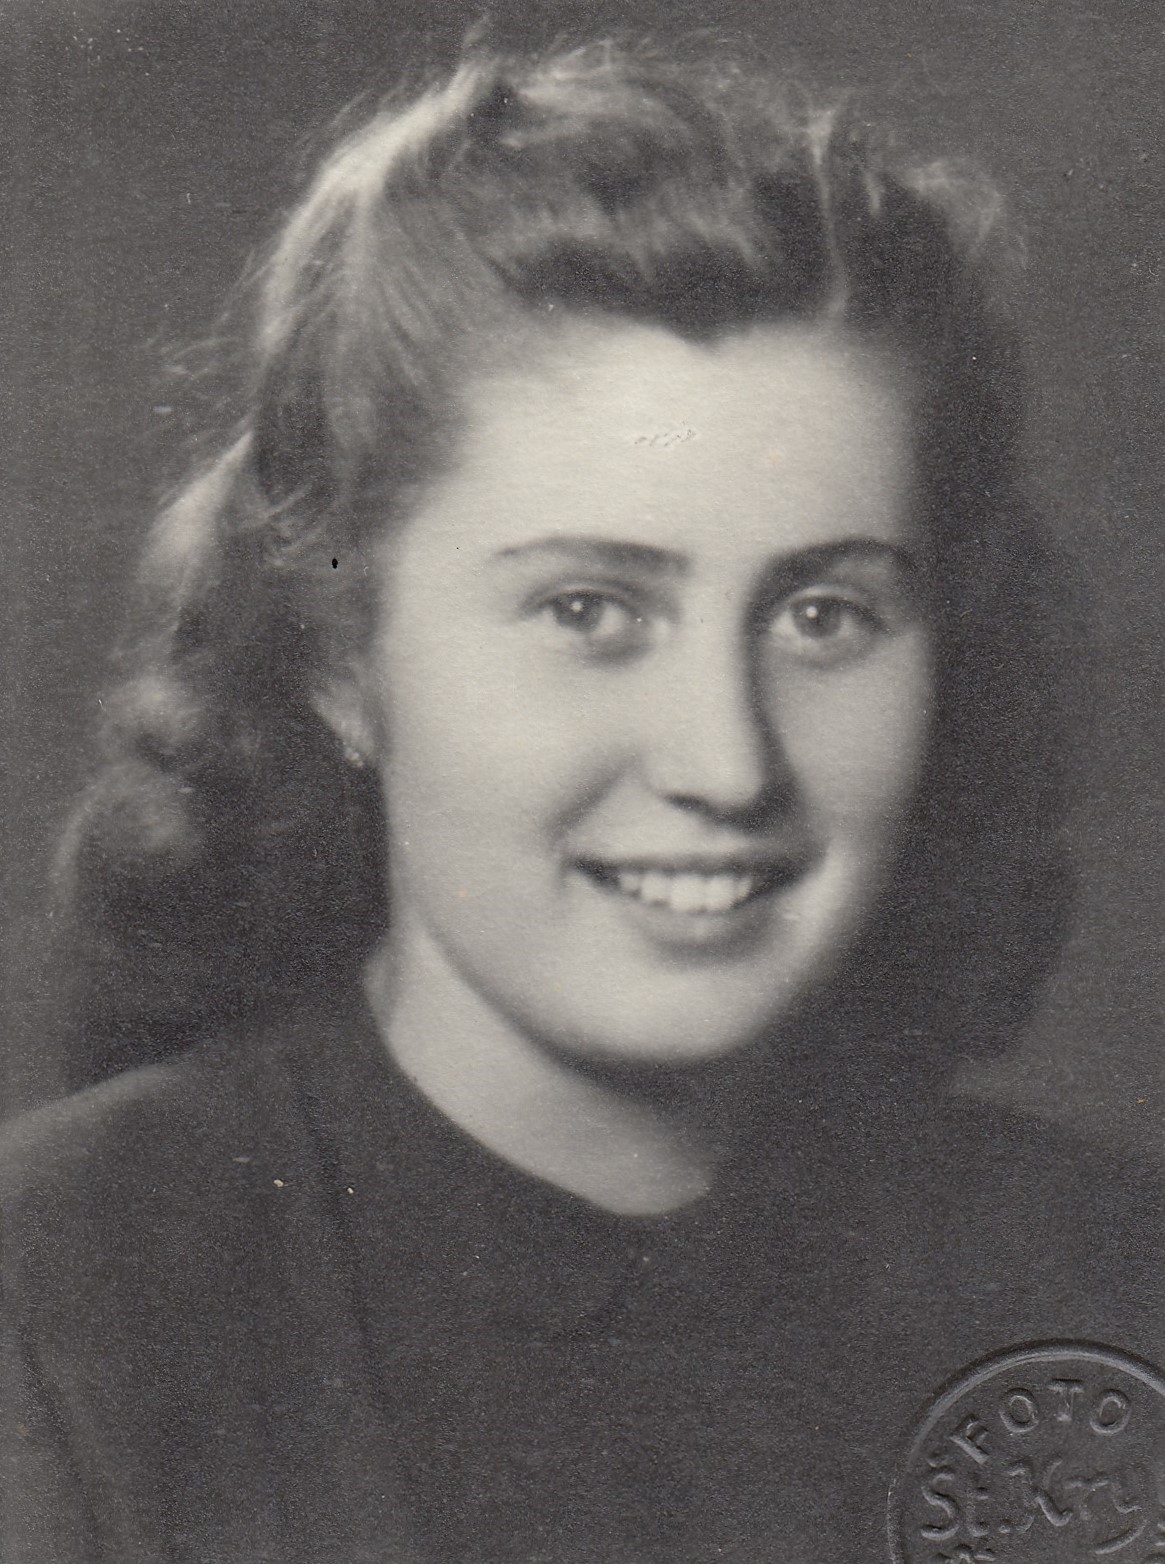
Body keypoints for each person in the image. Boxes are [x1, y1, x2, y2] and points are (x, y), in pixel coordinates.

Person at [1, 37, 1158, 1564]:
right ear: (342, 658)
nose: (726, 764)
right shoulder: (54, 1309)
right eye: (588, 611)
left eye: (823, 615)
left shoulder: (1111, 1277)